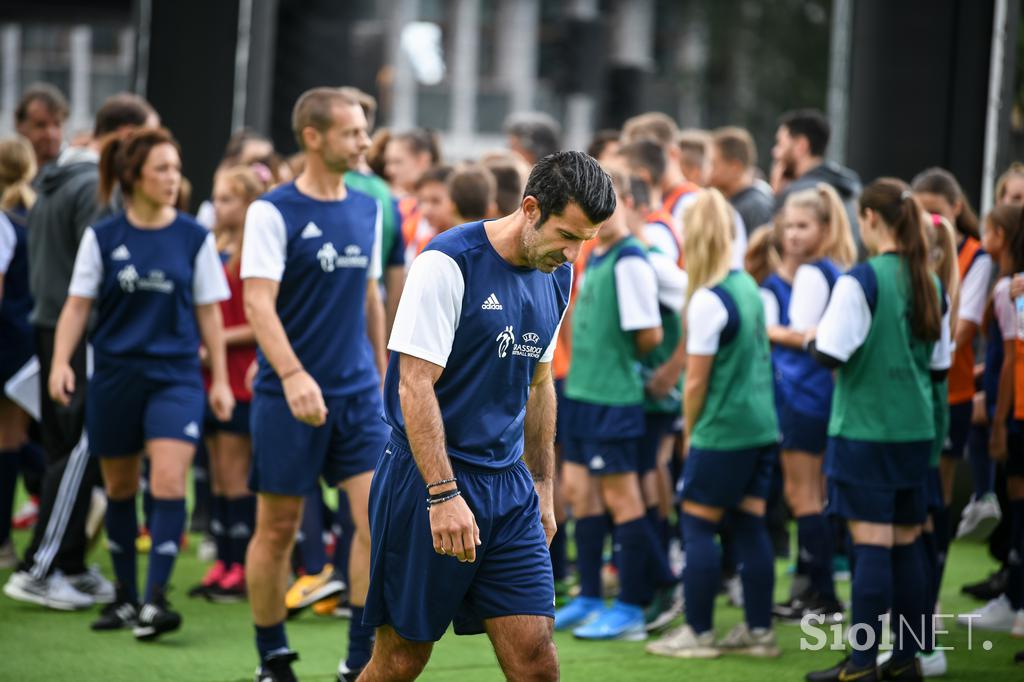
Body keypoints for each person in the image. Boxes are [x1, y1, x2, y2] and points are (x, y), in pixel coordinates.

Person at [360, 151, 614, 681]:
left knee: (536, 660)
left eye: (585, 242)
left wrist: (543, 486)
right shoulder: (447, 262)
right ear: (530, 208)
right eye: (566, 235)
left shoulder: (557, 276)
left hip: (510, 489)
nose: (571, 254)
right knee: (401, 660)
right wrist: (443, 494)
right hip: (425, 482)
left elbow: (539, 385)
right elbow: (414, 384)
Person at [50, 126, 233, 638]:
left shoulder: (194, 237)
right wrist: (62, 362)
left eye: (176, 168)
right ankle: (126, 597)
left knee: (171, 482)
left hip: (175, 378)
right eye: (162, 169)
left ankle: (155, 599)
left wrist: (218, 378)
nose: (173, 178)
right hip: (113, 377)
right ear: (133, 177)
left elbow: (209, 314)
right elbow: (77, 305)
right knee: (121, 488)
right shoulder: (103, 236)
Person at [240, 86, 389, 682]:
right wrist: (294, 374)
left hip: (358, 396)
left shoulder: (369, 206)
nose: (364, 141)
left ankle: (357, 660)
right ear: (313, 137)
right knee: (275, 529)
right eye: (352, 132)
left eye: (363, 131)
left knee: (374, 524)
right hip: (287, 398)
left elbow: (372, 299)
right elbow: (257, 302)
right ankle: (272, 656)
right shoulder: (271, 211)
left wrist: (383, 378)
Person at [4, 92, 157, 612]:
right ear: (126, 137)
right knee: (80, 450)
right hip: (81, 335)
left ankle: (66, 564)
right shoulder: (93, 184)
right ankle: (40, 569)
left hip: (54, 330)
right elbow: (103, 269)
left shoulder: (60, 177)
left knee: (64, 449)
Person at [805, 178, 951, 682]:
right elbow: (938, 369)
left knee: (871, 545)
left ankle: (862, 665)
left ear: (868, 219)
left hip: (866, 433)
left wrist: (807, 337)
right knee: (908, 543)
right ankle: (907, 660)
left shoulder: (861, 279)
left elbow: (830, 352)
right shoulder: (929, 280)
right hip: (915, 434)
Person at [646, 189, 780, 660]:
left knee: (698, 526)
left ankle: (699, 633)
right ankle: (760, 632)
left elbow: (696, 381)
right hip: (762, 428)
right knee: (749, 525)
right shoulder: (749, 286)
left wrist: (691, 432)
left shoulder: (708, 299)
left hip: (723, 432)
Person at [554, 164, 673, 641]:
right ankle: (588, 596)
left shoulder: (631, 261)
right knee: (581, 495)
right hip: (582, 393)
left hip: (613, 399)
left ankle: (635, 604)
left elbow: (649, 335)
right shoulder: (598, 254)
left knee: (623, 500)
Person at [767, 184, 855, 624]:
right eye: (789, 227)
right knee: (812, 494)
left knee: (803, 495)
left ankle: (823, 596)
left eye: (803, 226)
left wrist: (766, 328)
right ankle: (816, 589)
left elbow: (806, 334)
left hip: (804, 393)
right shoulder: (835, 269)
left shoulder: (812, 274)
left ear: (824, 227)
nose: (794, 236)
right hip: (820, 394)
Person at [188, 165, 265, 603]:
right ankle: (223, 561)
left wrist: (214, 340)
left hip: (240, 376)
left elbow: (259, 321)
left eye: (228, 199)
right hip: (210, 372)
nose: (218, 207)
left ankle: (239, 566)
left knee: (236, 476)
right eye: (217, 198)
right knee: (216, 475)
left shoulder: (255, 253)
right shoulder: (212, 246)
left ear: (249, 203)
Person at [911, 168, 997, 546]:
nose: (930, 221)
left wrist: (920, 352)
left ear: (957, 208)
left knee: (939, 490)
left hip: (950, 392)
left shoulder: (975, 257)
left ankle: (930, 583)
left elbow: (963, 330)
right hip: (909, 392)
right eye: (920, 211)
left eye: (937, 211)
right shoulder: (907, 252)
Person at [954, 204, 1024, 636]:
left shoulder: (1009, 290)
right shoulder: (1006, 287)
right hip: (1012, 407)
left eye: (989, 231)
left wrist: (999, 421)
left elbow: (1013, 357)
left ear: (1000, 234)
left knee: (1019, 509)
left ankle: (1016, 602)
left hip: (1017, 413)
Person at [622, 113, 747, 269]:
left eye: (646, 151)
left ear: (673, 153)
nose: (637, 159)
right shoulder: (651, 206)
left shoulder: (696, 206)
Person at [0, 136, 37, 567]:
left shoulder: (7, 222)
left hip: (8, 344)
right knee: (13, 440)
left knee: (9, 443)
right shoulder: (36, 217)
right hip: (29, 342)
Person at [772, 109, 861, 251]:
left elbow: (775, 248)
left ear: (801, 145)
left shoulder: (796, 194)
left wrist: (777, 198)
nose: (775, 153)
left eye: (780, 144)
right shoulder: (850, 185)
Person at [709, 126, 774, 235]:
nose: (709, 172)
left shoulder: (756, 208)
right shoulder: (732, 201)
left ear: (735, 167)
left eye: (714, 164)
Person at [14, 84, 67, 172]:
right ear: (20, 126)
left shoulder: (75, 173)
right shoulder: (6, 172)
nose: (51, 135)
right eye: (41, 125)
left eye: (57, 125)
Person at [413, 165, 456, 251]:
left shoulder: (465, 242)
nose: (426, 209)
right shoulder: (423, 239)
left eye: (436, 201)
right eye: (422, 201)